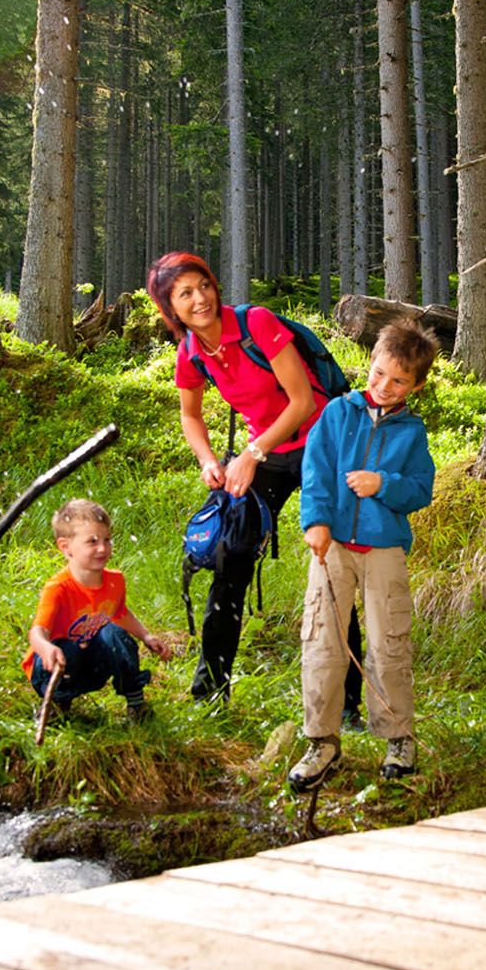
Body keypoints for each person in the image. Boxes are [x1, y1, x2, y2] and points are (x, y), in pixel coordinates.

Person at [147, 251, 364, 712]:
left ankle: (347, 704)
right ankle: (211, 691)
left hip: (321, 444)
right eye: (185, 293)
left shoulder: (256, 323)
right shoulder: (189, 352)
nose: (200, 298)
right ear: (171, 308)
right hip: (264, 453)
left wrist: (251, 454)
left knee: (331, 564)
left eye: (203, 285)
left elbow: (302, 400)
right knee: (230, 560)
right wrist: (208, 460)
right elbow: (190, 415)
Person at [288, 320, 439, 790]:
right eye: (378, 374)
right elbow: (314, 469)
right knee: (322, 641)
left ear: (416, 385)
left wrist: (384, 486)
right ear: (368, 366)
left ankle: (398, 736)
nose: (384, 387)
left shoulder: (413, 432)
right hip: (332, 546)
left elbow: (420, 490)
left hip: (384, 548)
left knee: (389, 641)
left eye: (398, 381)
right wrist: (315, 520)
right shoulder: (338, 414)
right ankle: (322, 740)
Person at [23, 498, 173, 722]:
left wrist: (146, 636)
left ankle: (136, 702)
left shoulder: (114, 581)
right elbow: (38, 631)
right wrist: (44, 648)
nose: (103, 548)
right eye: (92, 541)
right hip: (57, 666)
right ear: (66, 547)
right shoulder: (58, 588)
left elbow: (120, 613)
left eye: (107, 540)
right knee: (64, 648)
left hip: (93, 667)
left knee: (114, 635)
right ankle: (56, 704)